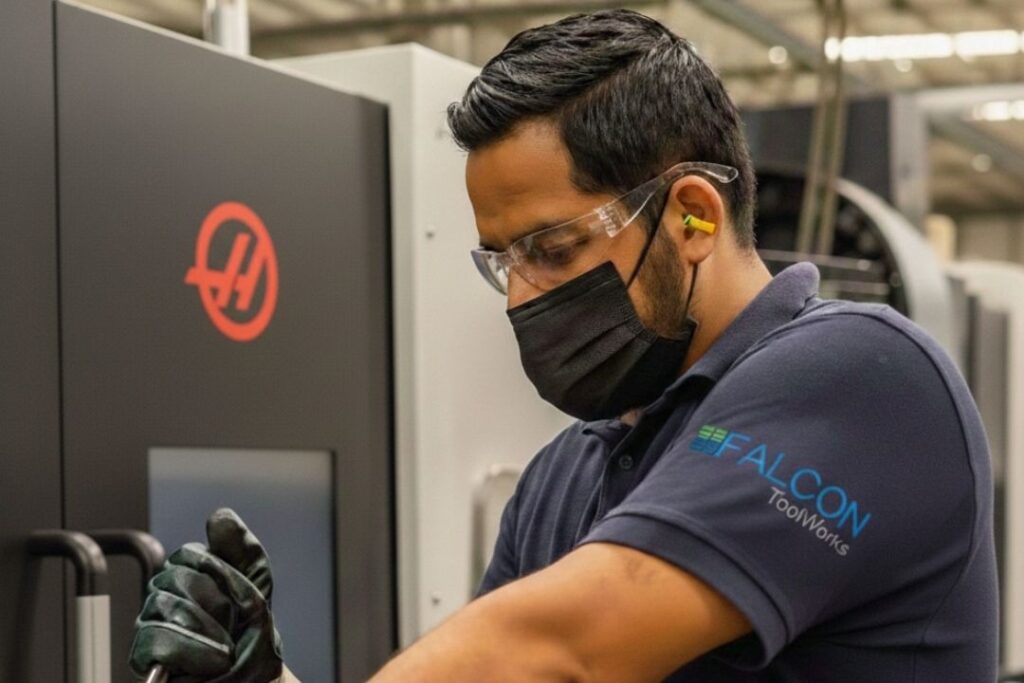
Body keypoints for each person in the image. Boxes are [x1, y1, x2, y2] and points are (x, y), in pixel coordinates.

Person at [130, 9, 998, 682]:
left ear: (693, 215)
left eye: (552, 251)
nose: (521, 294)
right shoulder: (564, 477)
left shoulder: (869, 378)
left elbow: (560, 650)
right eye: (501, 261)